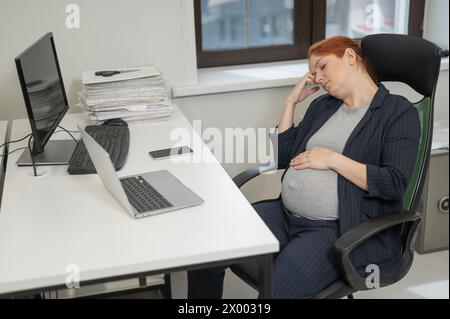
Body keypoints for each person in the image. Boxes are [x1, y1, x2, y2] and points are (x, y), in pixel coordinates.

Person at [188, 36, 421, 299]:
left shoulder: (398, 113)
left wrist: (333, 159)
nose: (317, 78)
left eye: (322, 67)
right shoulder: (324, 106)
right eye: (313, 73)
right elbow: (281, 155)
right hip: (283, 215)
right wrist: (291, 103)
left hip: (334, 228)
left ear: (350, 57)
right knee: (205, 252)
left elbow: (394, 182)